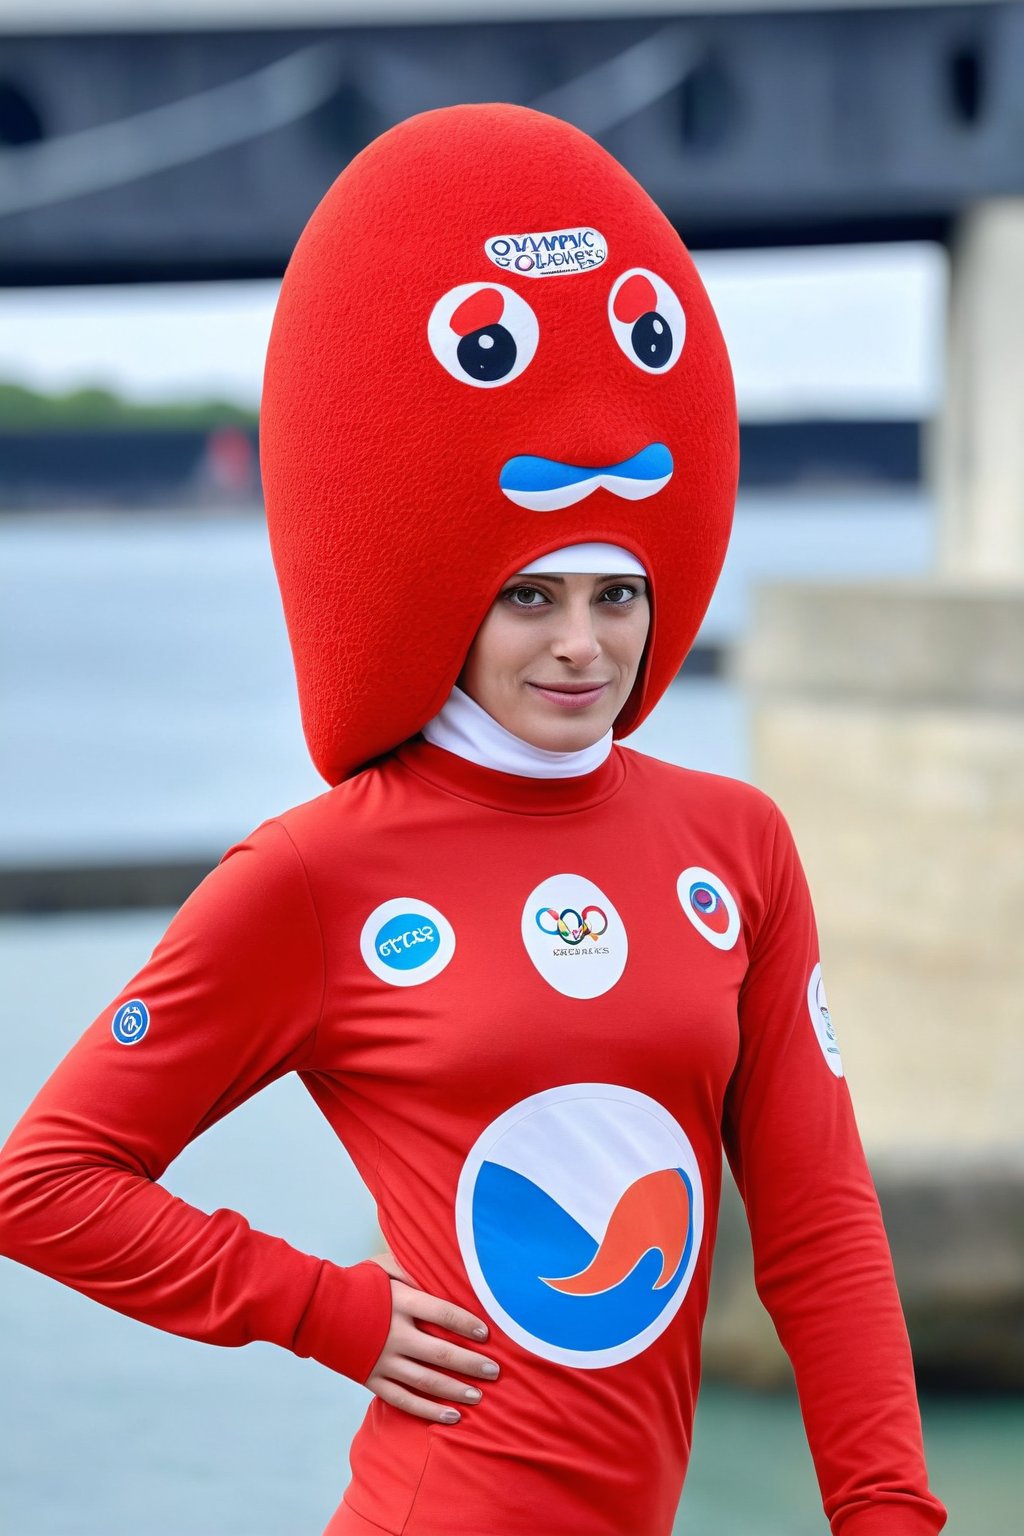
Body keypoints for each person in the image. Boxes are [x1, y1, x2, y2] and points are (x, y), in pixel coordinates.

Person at [0, 105, 945, 1536]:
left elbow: (819, 1228)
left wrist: (889, 1511)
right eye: (530, 598)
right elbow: (47, 1183)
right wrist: (330, 1310)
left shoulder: (733, 845)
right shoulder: (322, 873)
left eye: (614, 594)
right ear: (453, 598)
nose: (582, 646)